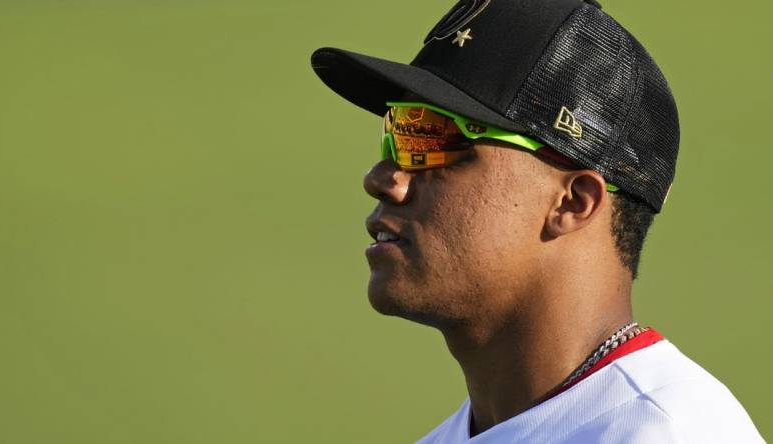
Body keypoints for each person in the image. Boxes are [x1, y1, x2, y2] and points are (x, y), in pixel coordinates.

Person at [310, 0, 765, 442]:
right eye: (397, 134)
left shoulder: (667, 433)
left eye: (430, 139)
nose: (382, 178)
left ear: (573, 202)